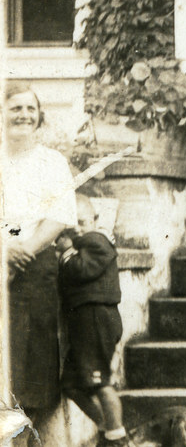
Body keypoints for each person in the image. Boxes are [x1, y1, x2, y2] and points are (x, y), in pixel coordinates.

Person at [2, 83, 77, 419]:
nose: (24, 115)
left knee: (33, 359)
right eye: (16, 108)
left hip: (35, 266)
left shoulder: (51, 161)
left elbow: (60, 215)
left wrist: (25, 250)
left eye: (31, 109)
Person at [56, 195, 126, 447]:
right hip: (84, 323)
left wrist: (65, 252)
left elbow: (81, 269)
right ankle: (106, 428)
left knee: (100, 382)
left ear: (96, 220)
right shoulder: (84, 243)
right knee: (72, 384)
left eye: (83, 222)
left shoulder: (98, 241)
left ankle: (118, 437)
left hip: (97, 320)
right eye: (72, 225)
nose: (78, 229)